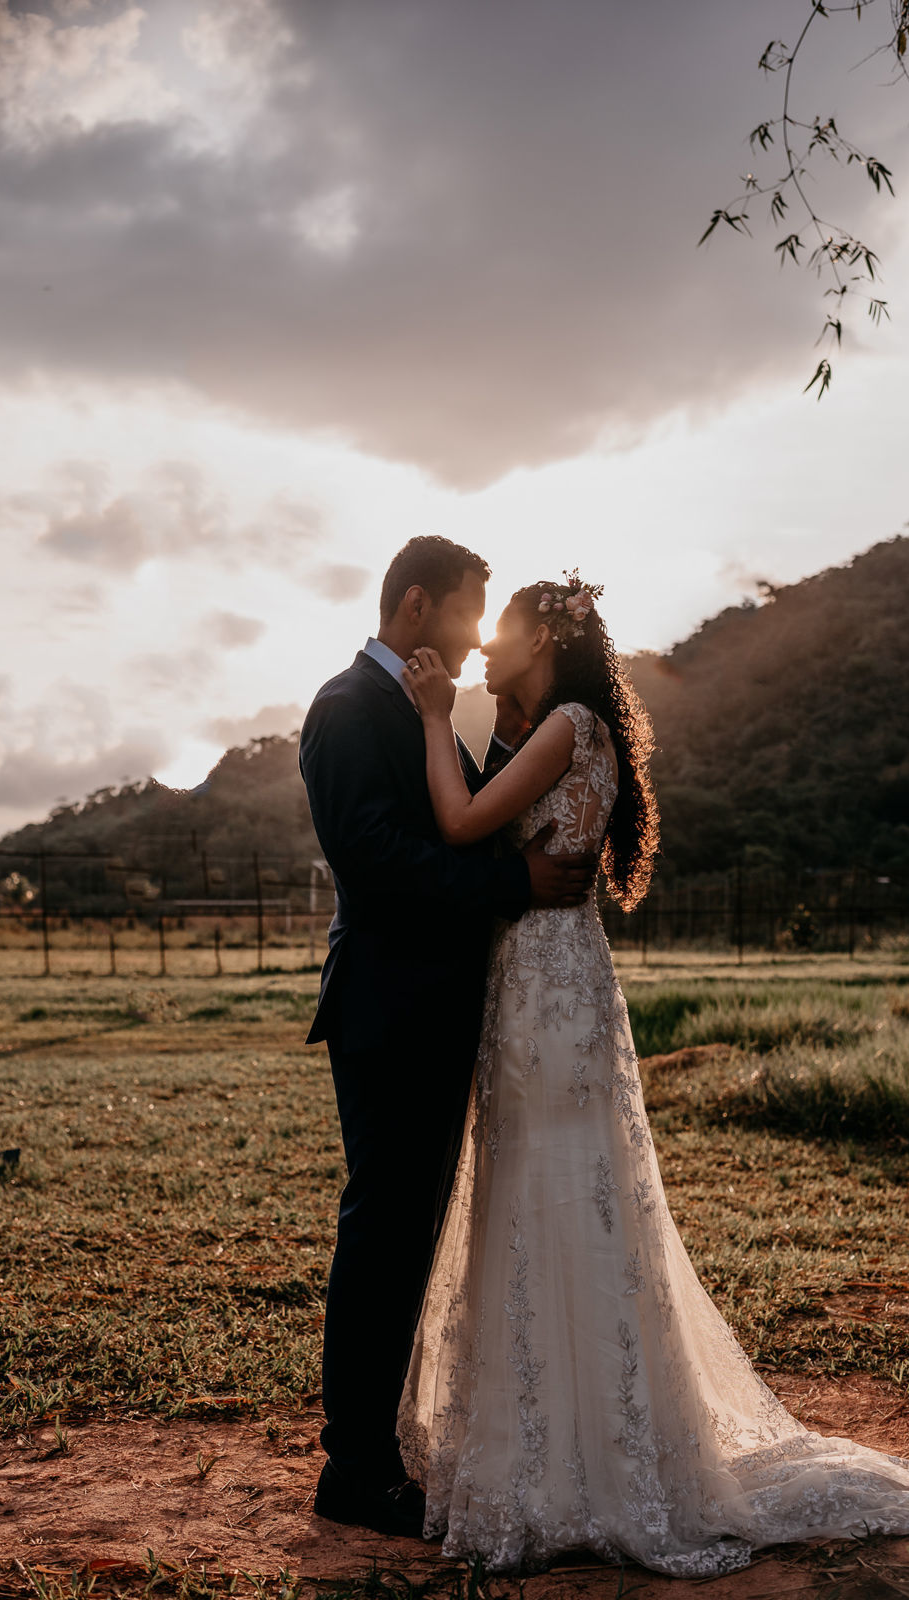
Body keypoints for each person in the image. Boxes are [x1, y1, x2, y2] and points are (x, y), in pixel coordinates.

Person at [396, 572, 909, 1576]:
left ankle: (563, 1457)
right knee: (568, 1195)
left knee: (543, 1194)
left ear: (550, 635)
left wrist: (435, 716)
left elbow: (459, 822)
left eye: (507, 626)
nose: (490, 640)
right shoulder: (580, 724)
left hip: (543, 984)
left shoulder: (567, 723)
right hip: (558, 978)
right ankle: (582, 1443)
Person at [298, 538, 596, 1536]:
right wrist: (516, 885)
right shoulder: (346, 710)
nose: (476, 637)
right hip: (388, 1007)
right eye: (470, 613)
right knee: (383, 1232)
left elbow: (464, 810)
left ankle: (381, 1445)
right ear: (416, 606)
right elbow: (381, 864)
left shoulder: (430, 711)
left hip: (435, 1007)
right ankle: (356, 1465)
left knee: (410, 1232)